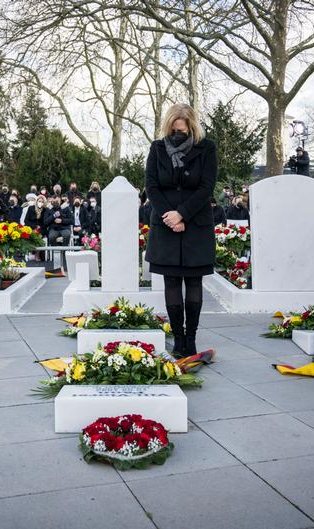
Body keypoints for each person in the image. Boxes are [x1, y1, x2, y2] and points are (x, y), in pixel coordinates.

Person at [145, 103, 216, 359]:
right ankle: (178, 338)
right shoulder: (157, 148)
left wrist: (183, 214)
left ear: (191, 127)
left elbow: (207, 187)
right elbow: (151, 187)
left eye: (183, 131)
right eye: (174, 130)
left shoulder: (207, 148)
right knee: (172, 282)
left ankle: (192, 339)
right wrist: (171, 217)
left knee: (194, 282)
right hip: (165, 224)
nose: (178, 135)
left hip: (196, 224)